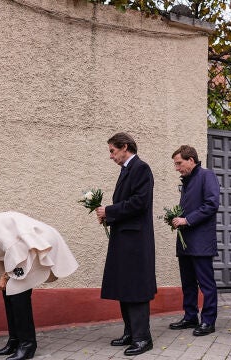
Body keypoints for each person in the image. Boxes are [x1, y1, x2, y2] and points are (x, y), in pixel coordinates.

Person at [0, 206, 78, 360]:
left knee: (17, 293)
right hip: (27, 249)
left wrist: (5, 277)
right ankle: (15, 341)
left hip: (39, 243)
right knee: (9, 292)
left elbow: (15, 249)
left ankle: (27, 345)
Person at [95, 132, 157, 356]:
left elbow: (139, 203)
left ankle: (143, 338)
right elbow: (126, 204)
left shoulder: (141, 168)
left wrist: (109, 211)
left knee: (136, 289)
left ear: (125, 147)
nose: (111, 156)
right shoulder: (126, 170)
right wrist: (108, 216)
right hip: (124, 238)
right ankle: (130, 332)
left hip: (136, 241)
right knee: (124, 286)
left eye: (112, 151)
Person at [167, 145, 220, 336]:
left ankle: (208, 321)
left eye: (179, 163)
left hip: (201, 242)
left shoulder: (207, 176)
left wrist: (187, 220)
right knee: (187, 283)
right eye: (175, 164)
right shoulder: (187, 181)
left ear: (191, 160)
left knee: (206, 284)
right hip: (185, 241)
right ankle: (190, 317)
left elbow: (212, 204)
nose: (177, 168)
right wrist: (176, 219)